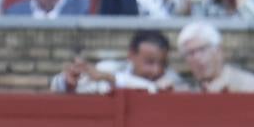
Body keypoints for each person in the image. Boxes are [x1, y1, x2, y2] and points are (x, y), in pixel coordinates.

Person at [51, 29, 187, 93]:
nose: (157, 70)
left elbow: (153, 90)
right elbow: (57, 86)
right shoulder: (108, 68)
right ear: (131, 55)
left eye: (162, 63)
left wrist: (110, 78)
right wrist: (69, 81)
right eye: (149, 62)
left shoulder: (172, 78)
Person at [178, 20, 254, 92]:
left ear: (218, 50)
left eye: (202, 50)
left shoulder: (248, 85)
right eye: (190, 53)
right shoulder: (185, 90)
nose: (197, 58)